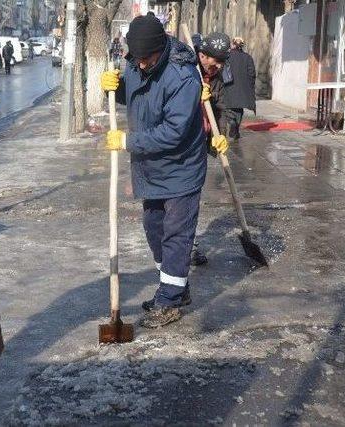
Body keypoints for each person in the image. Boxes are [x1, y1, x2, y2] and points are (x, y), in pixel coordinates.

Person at [99, 15, 228, 329]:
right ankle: (175, 287)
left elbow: (174, 132)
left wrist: (128, 141)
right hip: (150, 167)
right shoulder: (135, 63)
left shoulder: (183, 77)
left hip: (181, 167)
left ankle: (169, 300)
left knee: (176, 235)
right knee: (153, 226)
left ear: (161, 49)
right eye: (137, 59)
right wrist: (113, 88)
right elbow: (132, 89)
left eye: (147, 59)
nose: (141, 65)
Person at [188, 32, 232, 267]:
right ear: (203, 56)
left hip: (199, 144)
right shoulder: (185, 67)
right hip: (178, 143)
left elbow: (224, 109)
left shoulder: (216, 76)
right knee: (177, 200)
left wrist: (221, 135)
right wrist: (192, 96)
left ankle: (188, 244)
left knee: (193, 197)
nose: (220, 67)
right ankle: (176, 244)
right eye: (217, 62)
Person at [224, 36, 256, 143]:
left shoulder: (226, 56)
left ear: (232, 44)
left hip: (228, 87)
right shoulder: (248, 57)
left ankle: (232, 123)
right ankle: (236, 130)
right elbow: (252, 74)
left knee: (228, 108)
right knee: (239, 110)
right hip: (242, 89)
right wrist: (249, 87)